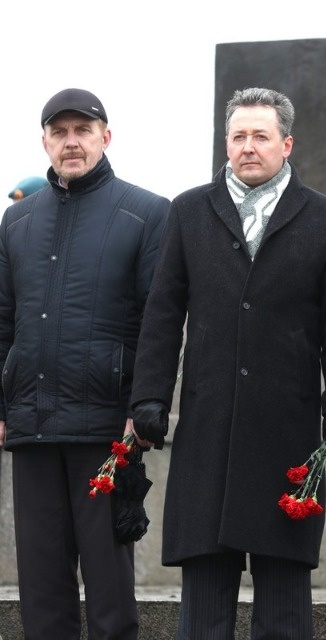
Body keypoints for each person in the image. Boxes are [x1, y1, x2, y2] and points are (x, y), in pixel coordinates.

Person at [130, 87, 326, 639]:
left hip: (287, 436)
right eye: (238, 136)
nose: (248, 147)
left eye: (261, 135)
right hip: (208, 429)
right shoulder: (188, 212)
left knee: (282, 608)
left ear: (287, 143)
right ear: (225, 144)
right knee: (204, 606)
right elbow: (162, 313)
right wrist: (150, 396)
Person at [0, 88, 169, 639]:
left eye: (83, 130)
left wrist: (145, 405)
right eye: (60, 132)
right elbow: (3, 321)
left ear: (105, 136)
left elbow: (157, 323)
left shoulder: (147, 213)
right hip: (32, 426)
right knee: (42, 593)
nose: (71, 142)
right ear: (45, 141)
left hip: (106, 428)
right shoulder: (16, 222)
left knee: (109, 593)